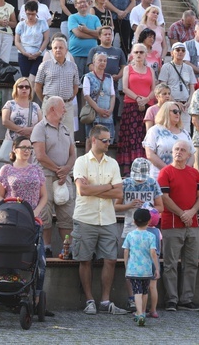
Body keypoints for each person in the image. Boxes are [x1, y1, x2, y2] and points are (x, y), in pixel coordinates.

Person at [72, 125, 126, 316]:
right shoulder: (81, 161)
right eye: (105, 140)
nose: (108, 143)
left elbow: (119, 192)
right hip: (85, 218)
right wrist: (108, 186)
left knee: (110, 260)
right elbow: (82, 191)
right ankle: (89, 300)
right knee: (85, 260)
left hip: (108, 219)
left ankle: (105, 300)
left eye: (109, 140)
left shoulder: (113, 163)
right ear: (93, 140)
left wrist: (96, 188)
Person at [0, 136, 48, 294]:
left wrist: (36, 211)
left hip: (33, 220)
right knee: (11, 258)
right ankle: (11, 294)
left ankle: (38, 296)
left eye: (30, 148)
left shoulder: (37, 170)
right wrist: (9, 209)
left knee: (40, 260)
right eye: (24, 147)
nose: (27, 151)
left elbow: (44, 196)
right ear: (14, 149)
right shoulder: (6, 170)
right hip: (12, 220)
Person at [157, 140, 199, 312]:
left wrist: (191, 212)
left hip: (192, 223)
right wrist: (182, 213)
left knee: (191, 263)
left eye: (183, 150)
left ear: (189, 154)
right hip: (172, 224)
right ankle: (171, 299)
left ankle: (186, 299)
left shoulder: (194, 173)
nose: (178, 152)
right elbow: (164, 198)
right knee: (170, 263)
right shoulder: (165, 172)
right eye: (176, 149)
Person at [115, 158, 163, 314]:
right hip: (130, 228)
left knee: (148, 264)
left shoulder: (152, 183)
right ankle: (132, 299)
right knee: (132, 266)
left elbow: (160, 206)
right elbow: (115, 205)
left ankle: (145, 304)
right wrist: (129, 205)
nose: (139, 180)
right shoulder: (126, 183)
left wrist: (146, 207)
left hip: (148, 228)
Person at [32, 96, 76, 257]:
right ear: (52, 109)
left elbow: (73, 155)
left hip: (64, 178)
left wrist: (66, 170)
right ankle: (46, 248)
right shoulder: (40, 128)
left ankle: (68, 249)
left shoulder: (65, 128)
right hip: (45, 176)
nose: (65, 110)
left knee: (67, 214)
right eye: (62, 107)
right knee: (45, 213)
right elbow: (40, 155)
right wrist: (60, 170)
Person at [117, 43, 156, 175]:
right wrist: (138, 99)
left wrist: (146, 99)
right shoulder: (128, 69)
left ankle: (146, 168)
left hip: (148, 108)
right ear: (132, 54)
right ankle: (130, 168)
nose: (139, 55)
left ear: (146, 54)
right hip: (131, 107)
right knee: (131, 138)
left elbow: (154, 89)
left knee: (145, 137)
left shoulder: (150, 70)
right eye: (136, 52)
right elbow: (125, 88)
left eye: (141, 52)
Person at [123, 207, 160, 326]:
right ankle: (143, 312)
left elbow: (126, 251)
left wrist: (126, 265)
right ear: (149, 221)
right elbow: (153, 253)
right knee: (145, 292)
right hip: (146, 269)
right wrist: (157, 268)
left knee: (136, 292)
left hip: (133, 269)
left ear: (134, 221)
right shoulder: (151, 236)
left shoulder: (130, 235)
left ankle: (139, 313)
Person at [34, 36, 80, 133]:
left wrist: (69, 98)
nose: (58, 50)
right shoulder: (44, 65)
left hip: (66, 106)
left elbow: (76, 86)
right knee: (47, 134)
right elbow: (37, 86)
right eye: (55, 48)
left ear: (66, 50)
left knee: (68, 136)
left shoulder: (73, 66)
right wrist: (46, 101)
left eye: (61, 47)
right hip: (49, 105)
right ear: (52, 50)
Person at [144, 101, 193, 179]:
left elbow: (192, 154)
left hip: (182, 177)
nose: (178, 114)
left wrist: (183, 171)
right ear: (165, 112)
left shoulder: (185, 133)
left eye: (179, 112)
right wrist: (170, 171)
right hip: (160, 176)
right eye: (175, 111)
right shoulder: (154, 131)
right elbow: (150, 155)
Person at [159, 42, 196, 129]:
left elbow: (192, 88)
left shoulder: (189, 68)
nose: (180, 52)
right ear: (172, 53)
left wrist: (189, 102)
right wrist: (174, 102)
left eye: (183, 50)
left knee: (185, 130)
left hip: (185, 106)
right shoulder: (166, 67)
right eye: (178, 50)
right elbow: (163, 87)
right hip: (171, 104)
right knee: (171, 129)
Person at [82, 52, 116, 146]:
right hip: (93, 115)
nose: (102, 62)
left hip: (107, 115)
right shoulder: (88, 77)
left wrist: (110, 110)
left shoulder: (109, 77)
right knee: (90, 141)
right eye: (100, 60)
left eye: (105, 61)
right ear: (94, 62)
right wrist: (98, 109)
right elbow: (86, 95)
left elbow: (112, 95)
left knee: (105, 142)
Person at [14, 0, 50, 84]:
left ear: (36, 12)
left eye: (33, 14)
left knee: (33, 79)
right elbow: (17, 41)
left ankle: (29, 97)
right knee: (26, 80)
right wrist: (24, 52)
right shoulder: (21, 24)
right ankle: (28, 97)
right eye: (28, 14)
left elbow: (46, 39)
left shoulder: (42, 23)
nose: (30, 16)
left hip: (38, 55)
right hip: (23, 54)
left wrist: (39, 52)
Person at [87, 25, 127, 98]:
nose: (108, 36)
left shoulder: (119, 51)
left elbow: (123, 67)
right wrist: (103, 76)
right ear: (99, 37)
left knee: (115, 106)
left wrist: (118, 76)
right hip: (97, 85)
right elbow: (90, 66)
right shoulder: (94, 50)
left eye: (110, 34)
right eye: (105, 34)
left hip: (113, 86)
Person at [68, 0, 101, 75]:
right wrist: (94, 35)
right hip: (76, 55)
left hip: (92, 56)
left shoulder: (95, 18)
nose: (83, 4)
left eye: (84, 2)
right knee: (76, 82)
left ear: (88, 3)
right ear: (75, 5)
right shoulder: (72, 17)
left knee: (89, 83)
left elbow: (100, 34)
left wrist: (86, 30)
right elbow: (78, 34)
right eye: (80, 3)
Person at [2, 77, 42, 143]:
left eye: (27, 87)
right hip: (12, 142)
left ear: (30, 89)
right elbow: (5, 121)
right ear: (16, 89)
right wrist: (22, 130)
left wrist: (31, 130)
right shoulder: (9, 104)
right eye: (21, 87)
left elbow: (41, 123)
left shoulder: (35, 106)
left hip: (31, 141)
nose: (24, 89)